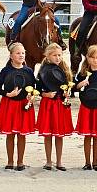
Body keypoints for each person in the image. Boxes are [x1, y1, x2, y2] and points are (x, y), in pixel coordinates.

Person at [0, 42, 37, 171]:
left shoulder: (29, 71)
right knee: (10, 134)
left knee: (21, 134)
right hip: (9, 104)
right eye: (18, 53)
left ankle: (20, 161)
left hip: (24, 105)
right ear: (11, 55)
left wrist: (31, 96)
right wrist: (7, 94)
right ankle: (10, 161)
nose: (21, 55)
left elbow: (33, 87)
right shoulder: (6, 70)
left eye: (23, 53)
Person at [36, 43, 73, 171]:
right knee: (48, 133)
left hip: (60, 104)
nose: (57, 58)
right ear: (47, 56)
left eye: (59, 55)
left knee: (59, 134)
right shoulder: (43, 70)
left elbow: (69, 87)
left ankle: (59, 161)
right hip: (48, 104)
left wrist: (67, 92)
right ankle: (48, 161)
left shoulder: (64, 70)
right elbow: (38, 89)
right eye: (54, 55)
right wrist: (45, 94)